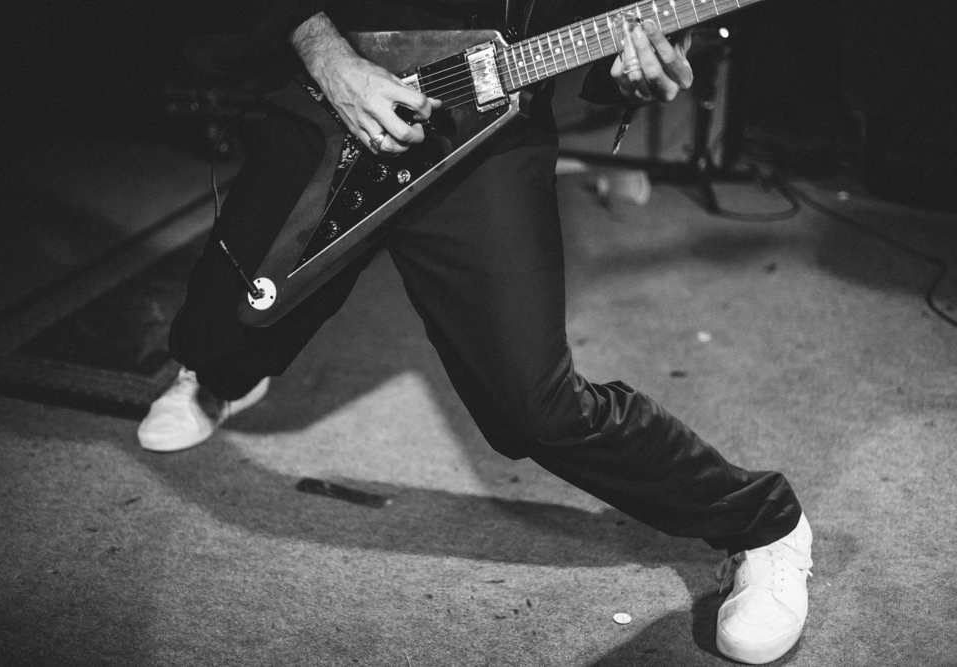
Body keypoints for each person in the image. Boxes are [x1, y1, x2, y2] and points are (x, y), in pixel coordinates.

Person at [139, 1, 814, 663]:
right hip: (330, 75)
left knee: (533, 408)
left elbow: (604, 36)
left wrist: (635, 72)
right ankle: (221, 377)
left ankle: (766, 523)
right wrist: (327, 54)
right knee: (213, 337)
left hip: (492, 109)